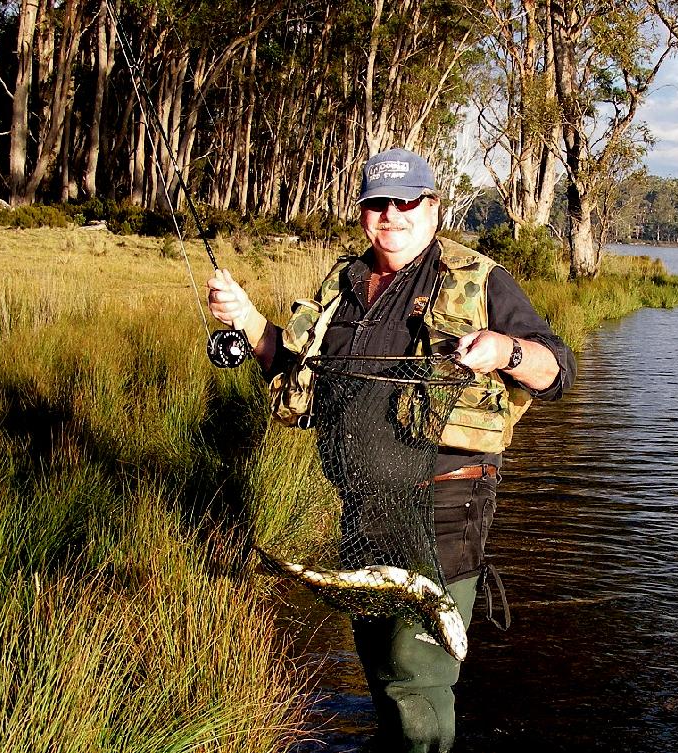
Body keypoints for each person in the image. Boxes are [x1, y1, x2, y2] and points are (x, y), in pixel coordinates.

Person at [207, 147, 576, 753]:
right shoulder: (345, 283)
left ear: (433, 208)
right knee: (379, 660)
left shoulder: (478, 279)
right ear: (362, 213)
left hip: (442, 506)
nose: (393, 215)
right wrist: (247, 319)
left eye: (407, 202)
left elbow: (558, 370)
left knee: (415, 671)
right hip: (362, 505)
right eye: (379, 203)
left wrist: (504, 351)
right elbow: (298, 367)